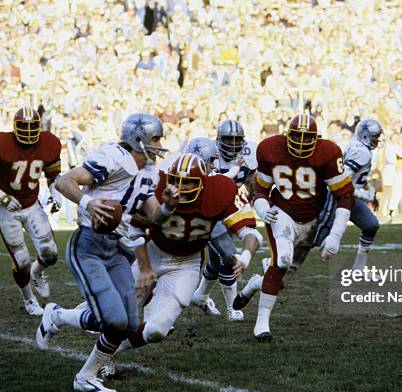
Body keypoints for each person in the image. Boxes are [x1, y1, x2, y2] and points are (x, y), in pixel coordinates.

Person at [36, 113, 171, 392]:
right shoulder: (113, 156)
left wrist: (171, 205)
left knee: (130, 322)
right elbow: (64, 181)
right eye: (156, 138)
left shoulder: (149, 172)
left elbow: (155, 217)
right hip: (90, 247)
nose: (160, 143)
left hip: (118, 251)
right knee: (114, 319)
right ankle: (75, 352)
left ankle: (69, 338)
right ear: (139, 138)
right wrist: (89, 203)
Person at [112, 152, 261, 356]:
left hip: (187, 262)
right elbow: (135, 228)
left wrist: (245, 257)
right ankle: (62, 319)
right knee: (115, 313)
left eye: (188, 183)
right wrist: (145, 267)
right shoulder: (156, 184)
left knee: (156, 331)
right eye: (175, 181)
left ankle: (110, 352)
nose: (180, 188)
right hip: (154, 253)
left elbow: (249, 232)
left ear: (202, 182)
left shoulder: (220, 190)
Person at [234, 113, 354, 341]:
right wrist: (262, 210)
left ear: (316, 138)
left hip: (311, 221)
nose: (300, 143)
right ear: (287, 135)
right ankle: (262, 325)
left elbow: (344, 196)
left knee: (280, 281)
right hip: (282, 213)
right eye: (296, 136)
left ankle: (253, 285)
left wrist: (335, 235)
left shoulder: (328, 152)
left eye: (306, 138)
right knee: (282, 260)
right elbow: (260, 191)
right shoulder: (270, 148)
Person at [0, 107, 61, 316]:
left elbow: (53, 175)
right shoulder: (1, 144)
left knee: (51, 254)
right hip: (8, 208)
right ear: (15, 126)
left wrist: (55, 194)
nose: (29, 131)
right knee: (21, 262)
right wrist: (2, 196)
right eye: (24, 126)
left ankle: (37, 272)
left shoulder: (50, 143)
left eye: (33, 126)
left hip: (32, 204)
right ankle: (29, 299)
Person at [190, 120, 258, 321]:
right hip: (210, 211)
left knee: (216, 257)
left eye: (237, 139)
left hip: (231, 209)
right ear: (219, 139)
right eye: (228, 139)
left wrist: (254, 198)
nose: (233, 143)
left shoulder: (249, 152)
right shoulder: (207, 153)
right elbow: (216, 182)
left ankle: (200, 295)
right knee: (228, 255)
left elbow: (252, 180)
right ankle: (232, 307)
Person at [342, 118, 383, 271]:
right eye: (375, 136)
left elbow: (359, 177)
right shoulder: (362, 152)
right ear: (366, 135)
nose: (377, 140)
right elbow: (342, 183)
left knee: (371, 225)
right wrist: (367, 196)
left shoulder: (357, 145)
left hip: (350, 196)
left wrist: (369, 190)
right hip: (339, 198)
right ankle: (279, 263)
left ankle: (358, 268)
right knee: (317, 238)